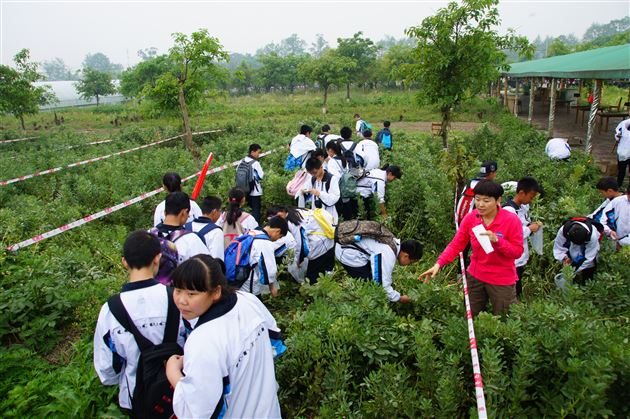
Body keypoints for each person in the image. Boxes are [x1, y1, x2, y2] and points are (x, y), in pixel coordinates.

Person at [165, 255, 284, 418]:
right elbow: (274, 346)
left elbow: (197, 412)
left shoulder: (202, 340)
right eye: (177, 290)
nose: (181, 301)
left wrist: (173, 373)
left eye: (192, 294)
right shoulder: (249, 301)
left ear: (215, 292)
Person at [94, 231, 186, 412]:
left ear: (124, 262)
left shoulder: (112, 309)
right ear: (157, 258)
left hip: (136, 398)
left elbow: (107, 369)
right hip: (178, 391)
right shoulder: (177, 298)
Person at [420, 181, 524, 316]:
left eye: (486, 201)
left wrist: (498, 241)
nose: (480, 204)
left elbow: (517, 252)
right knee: (471, 315)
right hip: (475, 276)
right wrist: (439, 264)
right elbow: (456, 244)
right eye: (477, 199)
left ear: (498, 200)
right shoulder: (472, 218)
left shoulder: (511, 220)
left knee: (505, 317)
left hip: (502, 279)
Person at [335, 224, 423, 303]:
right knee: (370, 288)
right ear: (406, 256)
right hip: (348, 253)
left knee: (373, 278)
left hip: (349, 245)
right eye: (410, 262)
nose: (408, 265)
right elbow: (381, 285)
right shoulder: (388, 254)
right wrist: (399, 298)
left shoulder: (393, 241)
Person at [268, 206, 335, 284]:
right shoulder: (296, 211)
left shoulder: (292, 222)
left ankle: (319, 288)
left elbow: (299, 243)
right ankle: (330, 281)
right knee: (327, 266)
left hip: (320, 243)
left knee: (312, 276)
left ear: (283, 211)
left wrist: (298, 260)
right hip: (328, 237)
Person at [502, 177, 544, 298]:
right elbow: (510, 235)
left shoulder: (522, 207)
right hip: (512, 258)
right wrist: (530, 229)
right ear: (521, 193)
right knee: (513, 285)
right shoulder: (509, 211)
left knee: (518, 280)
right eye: (530, 197)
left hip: (520, 255)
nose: (531, 200)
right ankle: (511, 307)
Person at [231, 216, 288, 297]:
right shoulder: (264, 242)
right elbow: (269, 270)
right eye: (280, 236)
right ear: (278, 231)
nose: (277, 239)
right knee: (253, 306)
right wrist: (272, 288)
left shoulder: (250, 233)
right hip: (249, 284)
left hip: (236, 278)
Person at [152, 192, 210, 264]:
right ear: (184, 213)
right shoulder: (191, 240)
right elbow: (208, 267)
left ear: (164, 212)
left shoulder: (148, 236)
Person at [553, 218, 601, 283]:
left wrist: (572, 268)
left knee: (588, 270)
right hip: (570, 247)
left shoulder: (593, 237)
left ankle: (587, 283)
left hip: (588, 251)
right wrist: (564, 258)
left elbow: (588, 258)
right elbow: (558, 248)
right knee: (569, 263)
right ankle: (572, 282)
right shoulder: (564, 230)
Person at [455, 161, 498, 226]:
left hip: (461, 222)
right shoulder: (489, 187)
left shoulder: (470, 183)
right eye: (495, 173)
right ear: (492, 173)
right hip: (476, 224)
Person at [300, 157, 341, 223]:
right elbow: (304, 188)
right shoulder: (312, 179)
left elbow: (335, 198)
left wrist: (319, 194)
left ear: (321, 167)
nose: (313, 175)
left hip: (330, 217)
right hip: (316, 217)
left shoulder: (332, 179)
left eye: (315, 172)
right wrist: (303, 191)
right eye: (311, 173)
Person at [185, 195, 224, 261]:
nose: (220, 213)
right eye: (220, 211)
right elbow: (217, 259)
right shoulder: (216, 231)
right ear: (214, 212)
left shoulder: (186, 227)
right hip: (204, 269)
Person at [236, 143, 264, 223]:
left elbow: (237, 171)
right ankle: (256, 228)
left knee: (246, 208)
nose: (259, 154)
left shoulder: (242, 161)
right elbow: (261, 176)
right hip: (255, 191)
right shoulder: (255, 163)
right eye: (258, 152)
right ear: (252, 152)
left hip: (243, 190)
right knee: (256, 210)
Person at [613, 112, 630, 189]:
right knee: (621, 170)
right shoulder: (624, 124)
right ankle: (618, 185)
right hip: (624, 150)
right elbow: (617, 134)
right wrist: (617, 136)